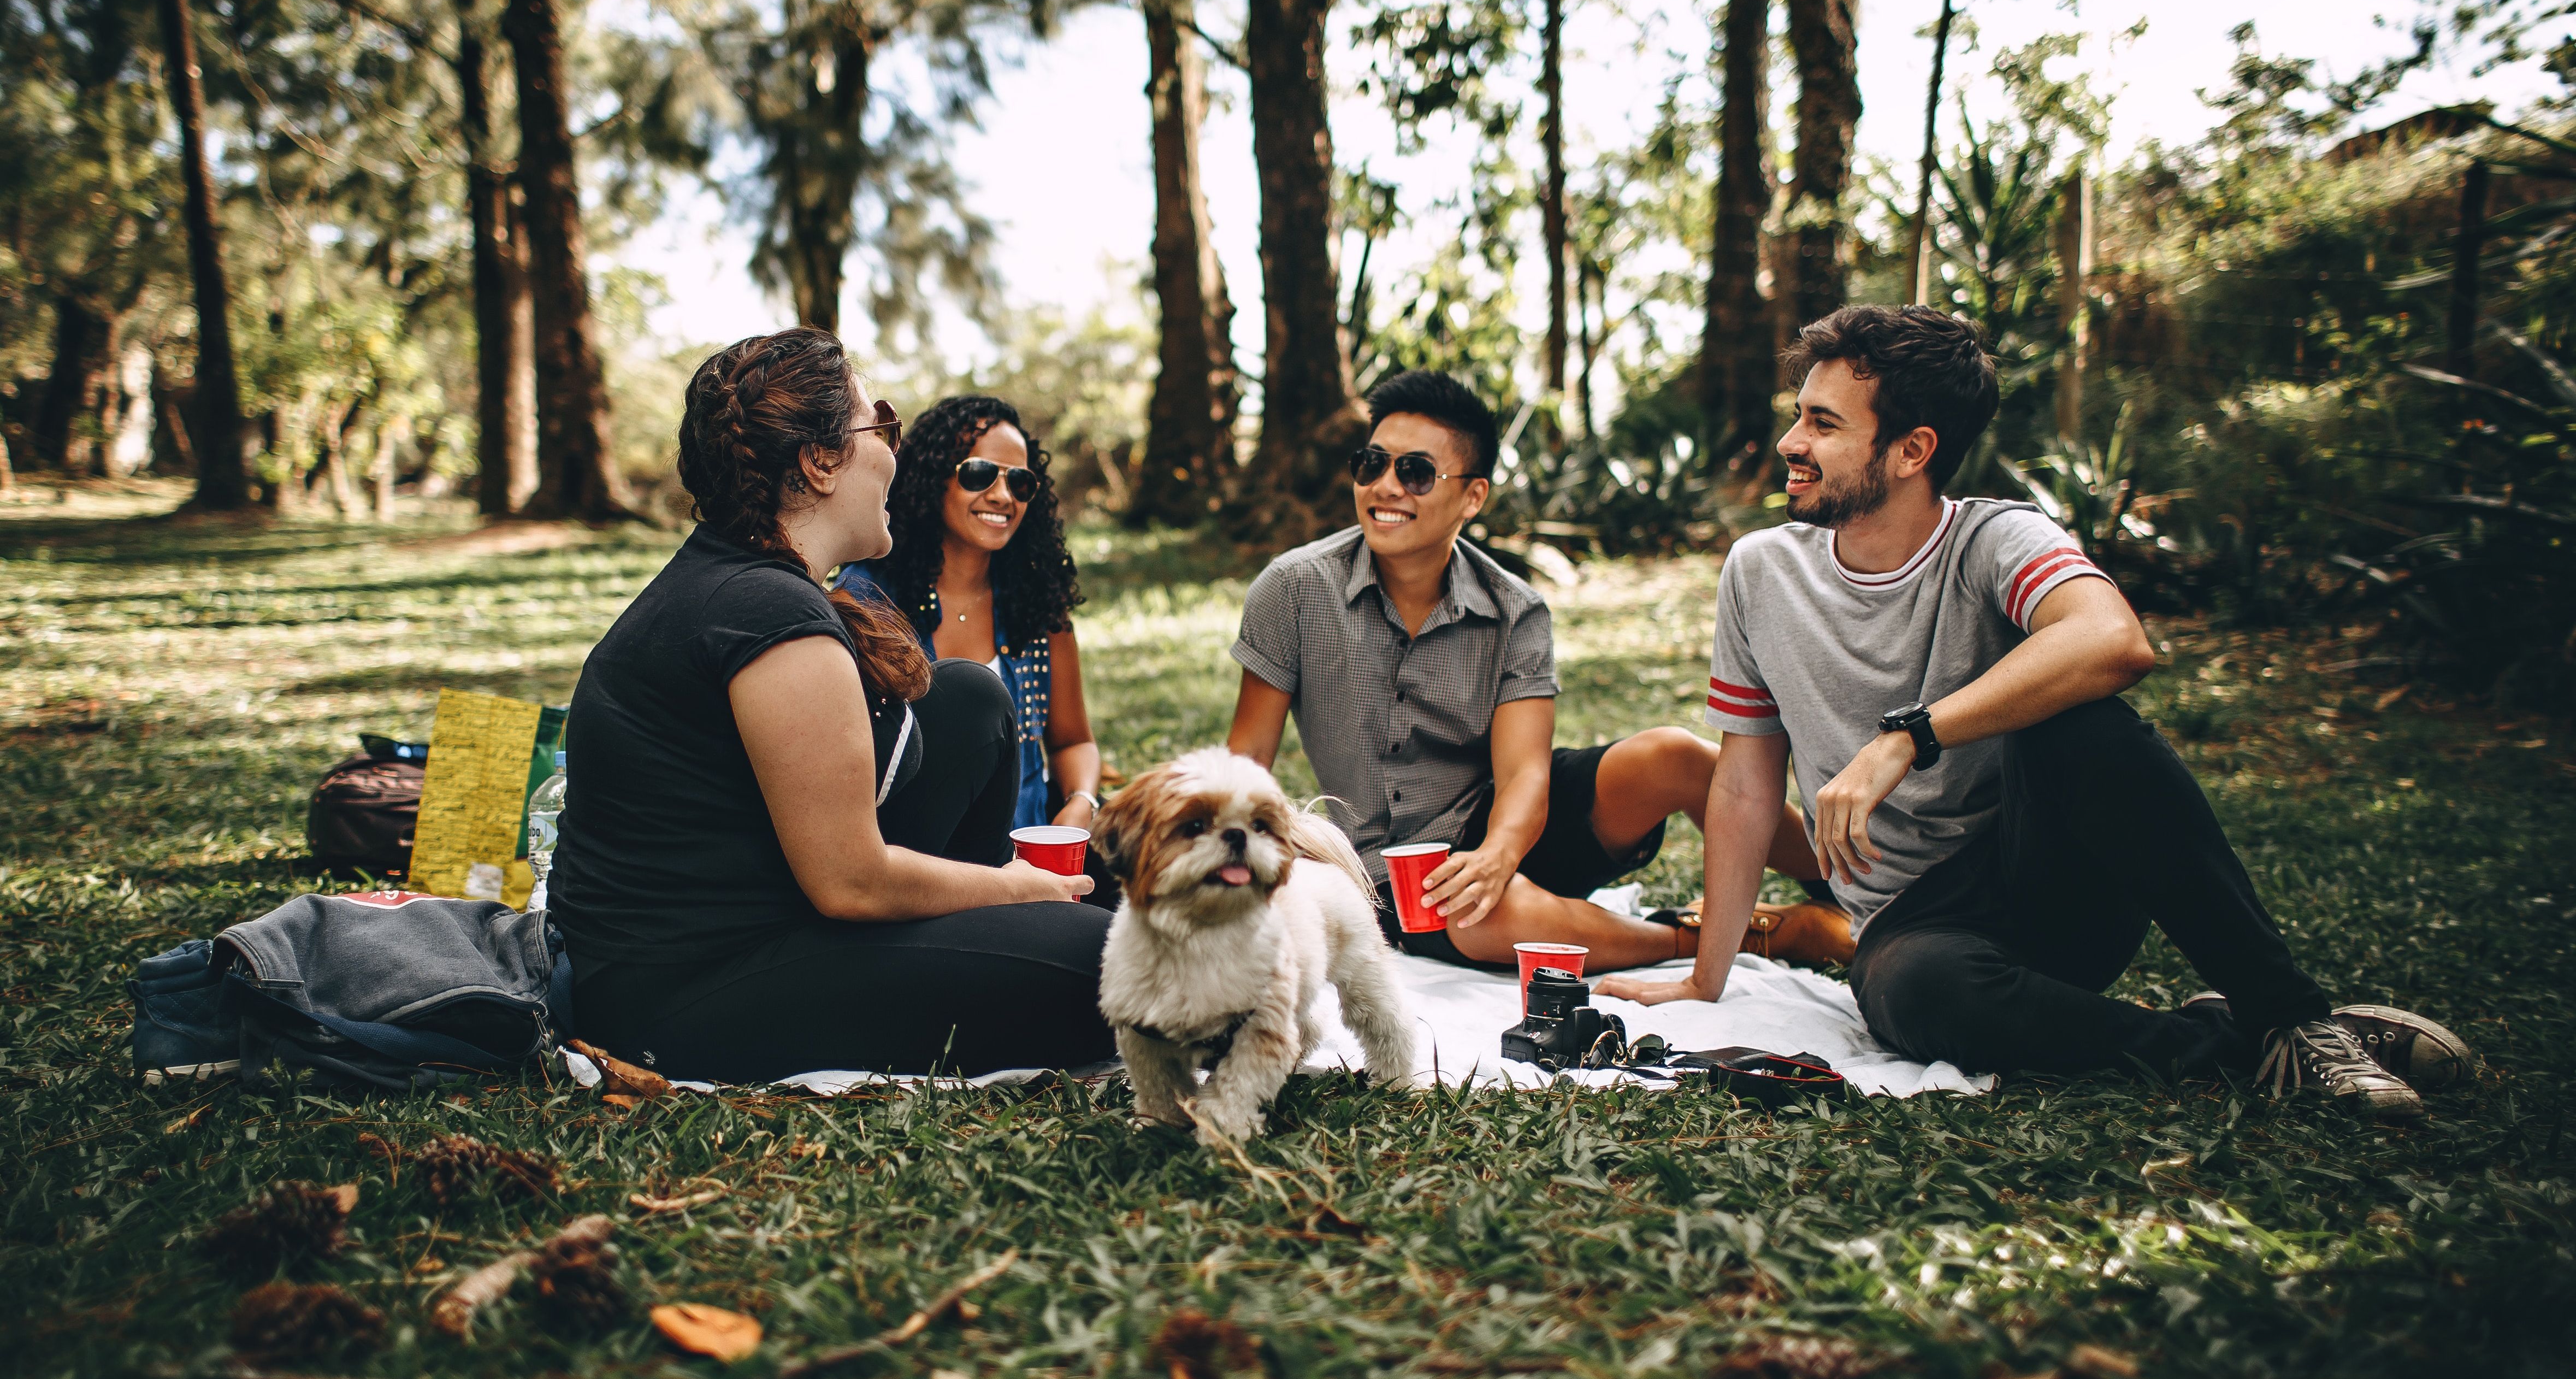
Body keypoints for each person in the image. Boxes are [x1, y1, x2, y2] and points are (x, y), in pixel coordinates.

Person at [1598, 305, 2473, 1121]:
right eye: (1801, 414)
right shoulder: (1761, 572)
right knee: (1918, 995)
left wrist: (1912, 734)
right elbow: (1747, 786)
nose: (1791, 441)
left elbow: (2114, 639)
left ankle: (2294, 1015)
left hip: (2051, 881)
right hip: (1916, 930)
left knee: (2086, 725)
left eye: (1823, 424)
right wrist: (1705, 981)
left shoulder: (1996, 537)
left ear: (1912, 450)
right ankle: (2241, 1042)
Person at [548, 329, 1114, 1083]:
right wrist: (1021, 885)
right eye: (879, 425)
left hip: (765, 911)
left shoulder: (745, 579)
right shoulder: (767, 615)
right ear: (819, 463)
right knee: (1114, 966)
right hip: (682, 991)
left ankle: (1003, 935)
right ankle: (1016, 934)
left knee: (969, 699)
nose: (893, 451)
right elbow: (851, 882)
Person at [1225, 368, 1840, 973]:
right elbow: (1246, 758)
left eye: (1414, 472)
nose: (1386, 487)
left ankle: (1852, 885)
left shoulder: (1514, 608)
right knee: (1480, 915)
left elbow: (1524, 773)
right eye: (1371, 464)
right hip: (1395, 873)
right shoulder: (1294, 590)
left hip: (1508, 824)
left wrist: (1497, 854)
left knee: (1674, 756)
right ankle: (1734, 937)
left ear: (1473, 496)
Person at [832, 398, 1108, 893]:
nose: (1003, 495)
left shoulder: (1037, 600)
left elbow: (1072, 740)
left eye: (1020, 482)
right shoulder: (868, 598)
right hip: (924, 863)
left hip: (1036, 856)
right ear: (933, 477)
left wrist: (1080, 803)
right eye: (980, 474)